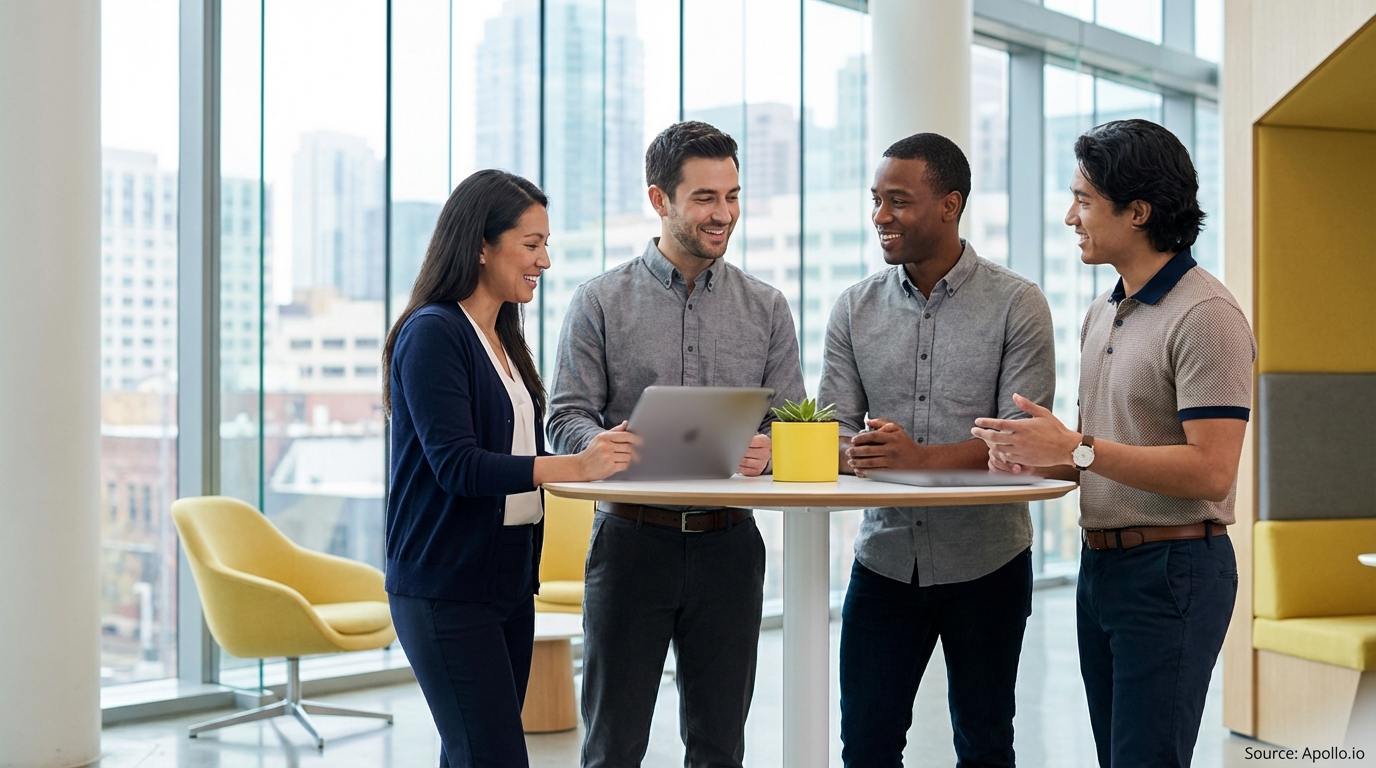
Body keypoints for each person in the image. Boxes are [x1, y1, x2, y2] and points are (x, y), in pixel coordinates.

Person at [972, 119, 1254, 768]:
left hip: (1175, 571)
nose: (1071, 216)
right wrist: (1038, 457)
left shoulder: (1205, 315)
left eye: (1084, 199)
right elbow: (1095, 454)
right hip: (1102, 568)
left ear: (1138, 212)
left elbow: (1212, 471)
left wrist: (1077, 449)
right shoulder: (1104, 310)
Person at [547, 121, 806, 768]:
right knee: (613, 746)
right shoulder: (599, 302)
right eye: (705, 199)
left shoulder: (767, 308)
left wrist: (770, 450)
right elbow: (566, 416)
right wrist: (600, 444)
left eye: (733, 196)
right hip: (632, 546)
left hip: (731, 548)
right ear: (660, 200)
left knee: (720, 747)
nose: (724, 215)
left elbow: (793, 423)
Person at [382, 169, 640, 768]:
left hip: (507, 581)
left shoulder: (503, 337)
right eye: (531, 243)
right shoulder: (433, 333)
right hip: (446, 586)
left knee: (474, 753)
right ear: (480, 245)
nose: (544, 260)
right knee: (493, 756)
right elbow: (457, 466)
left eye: (546, 244)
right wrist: (575, 465)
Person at [818, 132, 1056, 768]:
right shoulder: (853, 307)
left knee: (984, 742)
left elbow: (1021, 442)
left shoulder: (1017, 303)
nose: (880, 217)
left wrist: (917, 459)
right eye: (876, 200)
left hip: (989, 562)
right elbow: (831, 432)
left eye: (899, 200)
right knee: (866, 745)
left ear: (950, 204)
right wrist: (863, 452)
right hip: (886, 558)